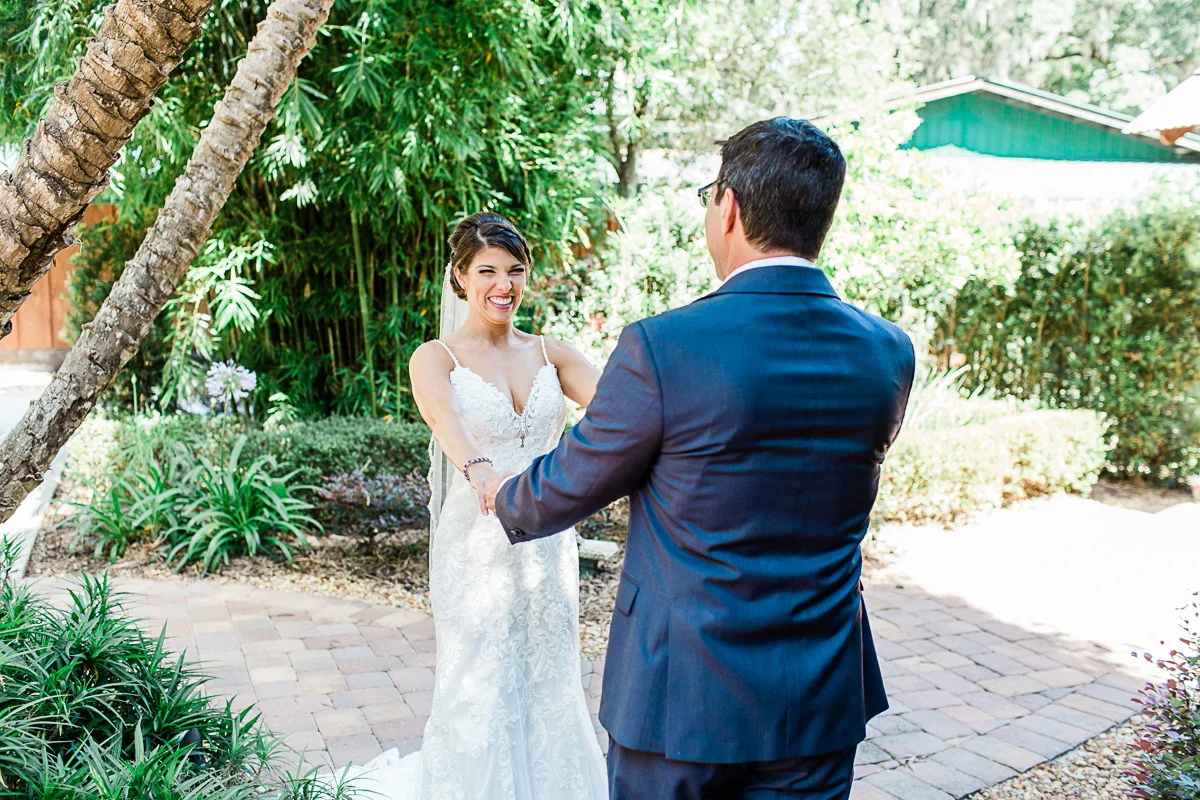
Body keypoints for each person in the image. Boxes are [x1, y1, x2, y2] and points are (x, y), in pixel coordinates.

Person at [478, 117, 916, 800]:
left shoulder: (664, 347)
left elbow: (567, 486)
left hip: (680, 696)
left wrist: (499, 489)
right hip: (820, 694)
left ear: (729, 207)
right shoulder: (888, 350)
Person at [329, 211, 609, 799]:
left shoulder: (553, 354)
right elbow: (445, 418)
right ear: (459, 276)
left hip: (547, 543)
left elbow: (620, 414)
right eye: (487, 271)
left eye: (515, 270)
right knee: (479, 678)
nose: (503, 285)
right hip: (477, 540)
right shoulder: (436, 357)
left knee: (550, 673)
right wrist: (479, 469)